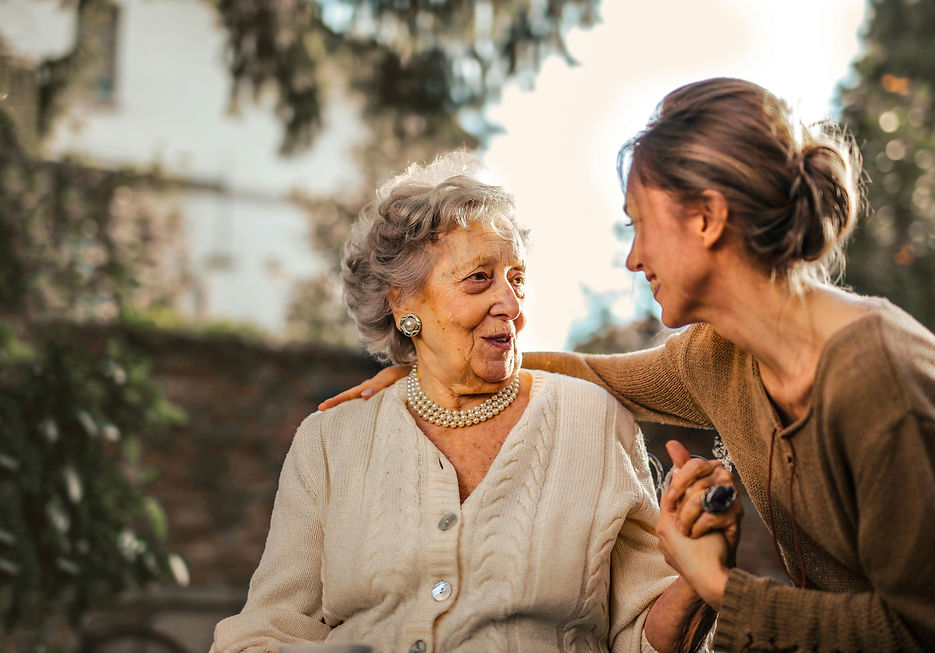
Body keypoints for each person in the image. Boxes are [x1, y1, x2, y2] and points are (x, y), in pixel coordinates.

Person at [319, 79, 935, 651]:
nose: (633, 258)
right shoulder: (719, 357)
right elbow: (593, 374)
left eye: (639, 223)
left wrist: (718, 584)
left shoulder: (881, 381)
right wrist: (439, 369)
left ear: (708, 218)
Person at [212, 153, 737, 653]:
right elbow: (267, 628)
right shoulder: (331, 440)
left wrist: (696, 580)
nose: (510, 305)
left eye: (518, 280)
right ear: (403, 302)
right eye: (479, 278)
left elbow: (645, 638)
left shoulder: (594, 422)